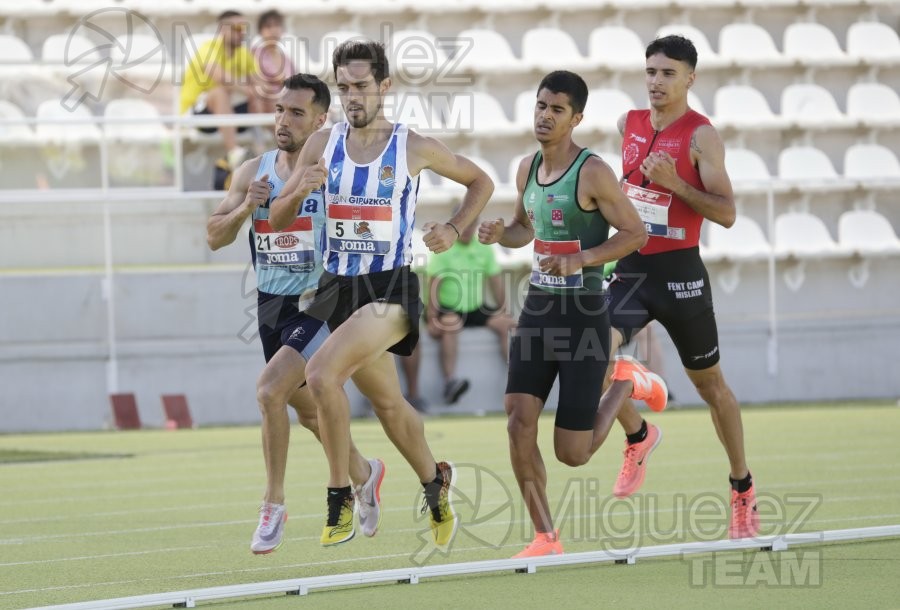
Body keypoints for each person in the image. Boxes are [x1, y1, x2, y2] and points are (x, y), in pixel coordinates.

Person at [269, 40, 493, 549]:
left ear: (384, 86)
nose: (352, 96)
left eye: (361, 86)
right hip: (333, 290)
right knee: (389, 406)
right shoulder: (321, 144)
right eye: (343, 87)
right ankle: (435, 481)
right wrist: (301, 189)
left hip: (389, 289)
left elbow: (480, 181)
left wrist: (456, 229)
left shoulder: (412, 145)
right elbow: (278, 216)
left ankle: (340, 494)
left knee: (323, 374)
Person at [206, 74, 384, 554]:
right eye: (280, 110)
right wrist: (247, 205)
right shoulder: (252, 171)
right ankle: (366, 474)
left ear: (321, 120)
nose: (283, 120)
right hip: (272, 304)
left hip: (321, 301)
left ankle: (273, 506)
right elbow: (214, 235)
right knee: (307, 413)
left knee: (268, 391)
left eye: (297, 112)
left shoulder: (335, 169)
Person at [478, 70, 651, 558]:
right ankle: (545, 537)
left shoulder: (593, 171)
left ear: (576, 118)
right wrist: (499, 233)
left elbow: (635, 234)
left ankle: (626, 385)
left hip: (584, 316)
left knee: (572, 454)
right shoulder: (526, 169)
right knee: (517, 420)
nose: (545, 115)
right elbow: (522, 229)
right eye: (540, 105)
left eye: (557, 109)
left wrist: (583, 259)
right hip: (538, 310)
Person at [605, 35, 759, 539]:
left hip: (681, 277)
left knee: (712, 387)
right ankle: (639, 432)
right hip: (630, 270)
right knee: (588, 352)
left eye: (667, 73)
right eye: (650, 71)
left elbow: (728, 214)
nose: (656, 81)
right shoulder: (628, 125)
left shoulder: (702, 136)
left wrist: (676, 183)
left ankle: (742, 489)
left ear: (690, 78)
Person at [426, 216, 517, 405]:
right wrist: (432, 318)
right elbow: (434, 285)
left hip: (475, 307)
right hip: (448, 307)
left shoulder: (483, 247)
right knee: (451, 323)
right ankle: (450, 382)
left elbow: (496, 282)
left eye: (471, 226)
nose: (467, 231)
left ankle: (517, 379)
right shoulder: (444, 247)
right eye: (464, 226)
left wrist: (505, 310)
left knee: (509, 324)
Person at [181, 10, 265, 170]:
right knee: (220, 92)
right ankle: (234, 152)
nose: (242, 32)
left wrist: (258, 92)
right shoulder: (207, 48)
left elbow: (260, 83)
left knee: (269, 98)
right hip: (199, 116)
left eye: (243, 28)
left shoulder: (243, 53)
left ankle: (281, 151)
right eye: (236, 28)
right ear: (222, 30)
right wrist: (249, 91)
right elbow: (220, 77)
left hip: (229, 113)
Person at [252, 10, 295, 114]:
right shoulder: (254, 54)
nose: (273, 30)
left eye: (277, 25)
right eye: (268, 26)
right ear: (260, 31)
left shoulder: (286, 58)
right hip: (268, 104)